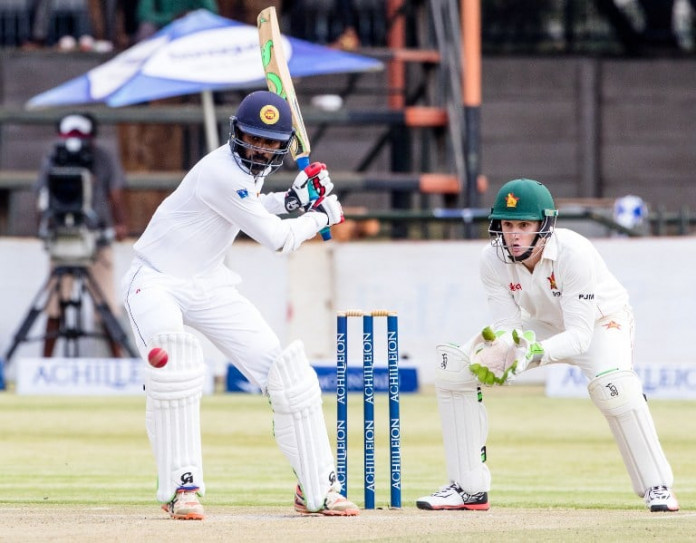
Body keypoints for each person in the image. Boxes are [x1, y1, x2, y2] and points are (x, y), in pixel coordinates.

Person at [121, 90, 355, 520]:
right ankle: (182, 489)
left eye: (270, 143)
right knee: (177, 371)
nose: (260, 149)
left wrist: (292, 201)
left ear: (282, 145)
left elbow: (248, 209)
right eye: (253, 139)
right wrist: (323, 216)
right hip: (155, 282)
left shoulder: (247, 175)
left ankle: (318, 487)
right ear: (236, 134)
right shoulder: (219, 172)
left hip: (210, 284)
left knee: (290, 376)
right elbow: (278, 238)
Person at [416, 178, 679, 513]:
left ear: (545, 225)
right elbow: (508, 326)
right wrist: (506, 353)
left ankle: (657, 486)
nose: (513, 235)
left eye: (524, 225)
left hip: (600, 323)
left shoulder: (575, 253)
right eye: (507, 224)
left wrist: (532, 354)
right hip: (540, 324)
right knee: (456, 369)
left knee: (614, 386)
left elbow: (580, 336)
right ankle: (468, 488)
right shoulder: (491, 259)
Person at [36, 112, 128, 357]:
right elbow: (42, 197)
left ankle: (119, 362)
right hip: (63, 239)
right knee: (55, 304)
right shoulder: (53, 159)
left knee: (106, 305)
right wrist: (45, 225)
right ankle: (45, 363)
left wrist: (120, 225)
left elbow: (115, 193)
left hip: (96, 239)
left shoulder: (103, 158)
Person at [135, 0, 218, 42]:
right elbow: (143, 14)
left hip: (192, 29)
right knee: (146, 28)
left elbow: (212, 12)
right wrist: (172, 18)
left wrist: (189, 17)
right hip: (163, 30)